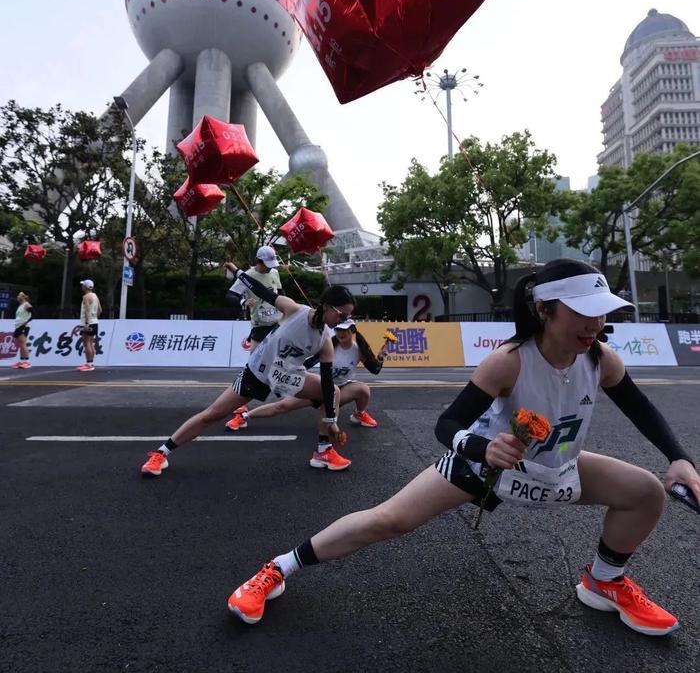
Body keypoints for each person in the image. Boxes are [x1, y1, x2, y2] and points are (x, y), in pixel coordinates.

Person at [228, 259, 700, 636]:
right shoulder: (508, 361)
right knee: (388, 520)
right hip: (482, 466)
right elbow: (446, 423)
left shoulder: (601, 358)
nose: (595, 322)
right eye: (581, 310)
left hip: (558, 467)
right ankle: (276, 569)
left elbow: (640, 407)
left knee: (645, 492)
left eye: (600, 311)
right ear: (545, 309)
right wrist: (481, 447)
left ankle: (603, 580)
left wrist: (679, 458)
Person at [140, 271, 356, 477]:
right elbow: (263, 291)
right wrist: (239, 274)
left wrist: (331, 421)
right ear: (327, 306)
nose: (343, 320)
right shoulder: (294, 309)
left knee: (333, 392)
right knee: (213, 414)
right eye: (342, 314)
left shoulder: (326, 341)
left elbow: (326, 384)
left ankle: (323, 451)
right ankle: (161, 453)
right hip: (257, 372)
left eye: (348, 316)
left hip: (288, 376)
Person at [226, 317, 386, 431]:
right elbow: (309, 363)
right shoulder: (329, 344)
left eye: (344, 330)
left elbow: (375, 369)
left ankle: (359, 414)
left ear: (352, 331)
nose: (340, 333)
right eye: (337, 329)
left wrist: (381, 357)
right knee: (281, 406)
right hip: (322, 388)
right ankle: (243, 417)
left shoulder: (359, 350)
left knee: (363, 389)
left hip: (342, 389)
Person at [225, 246, 283, 354]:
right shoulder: (247, 276)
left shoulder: (275, 273)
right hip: (260, 325)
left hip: (278, 322)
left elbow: (280, 293)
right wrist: (243, 302)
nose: (270, 268)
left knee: (278, 361)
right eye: (267, 265)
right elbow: (230, 295)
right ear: (259, 261)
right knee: (255, 362)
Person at [78, 279, 101, 372]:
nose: (82, 286)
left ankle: (89, 364)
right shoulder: (95, 296)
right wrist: (94, 318)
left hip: (88, 322)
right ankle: (90, 363)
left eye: (83, 285)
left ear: (86, 287)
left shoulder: (86, 297)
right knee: (90, 342)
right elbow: (100, 310)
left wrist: (87, 323)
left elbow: (87, 310)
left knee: (87, 343)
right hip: (94, 321)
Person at [11, 291, 33, 369]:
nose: (17, 297)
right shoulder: (20, 305)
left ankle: (27, 362)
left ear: (23, 297)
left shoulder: (26, 304)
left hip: (23, 326)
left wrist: (25, 322)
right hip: (18, 326)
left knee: (23, 343)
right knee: (20, 344)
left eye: (19, 296)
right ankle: (22, 361)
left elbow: (33, 314)